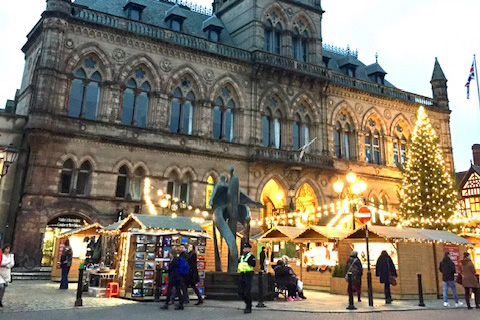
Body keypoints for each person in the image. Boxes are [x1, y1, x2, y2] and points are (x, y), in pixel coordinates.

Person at [238, 242, 256, 314]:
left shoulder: (251, 256)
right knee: (240, 292)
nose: (245, 249)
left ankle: (248, 307)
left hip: (248, 274)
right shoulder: (242, 256)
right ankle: (247, 303)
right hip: (242, 274)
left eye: (246, 248)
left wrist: (249, 262)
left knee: (247, 292)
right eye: (244, 248)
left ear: (249, 249)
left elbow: (253, 264)